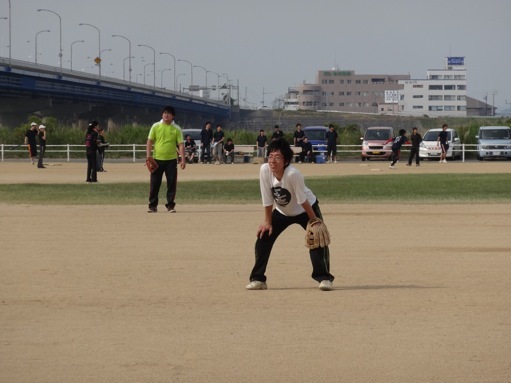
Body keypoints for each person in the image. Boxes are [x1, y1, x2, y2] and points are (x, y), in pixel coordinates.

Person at [246, 138, 334, 291]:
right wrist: (267, 221)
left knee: (317, 240)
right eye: (270, 156)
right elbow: (267, 197)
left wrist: (314, 221)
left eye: (277, 157)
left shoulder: (293, 174)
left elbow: (303, 201)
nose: (272, 160)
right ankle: (258, 279)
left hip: (306, 209)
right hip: (282, 211)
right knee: (264, 237)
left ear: (286, 160)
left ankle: (324, 278)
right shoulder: (265, 170)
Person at [146, 105, 186, 213]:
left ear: (173, 116)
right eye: (164, 113)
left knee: (171, 184)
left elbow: (181, 145)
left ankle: (170, 206)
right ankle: (152, 206)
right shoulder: (156, 126)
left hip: (171, 160)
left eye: (168, 113)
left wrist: (183, 159)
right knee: (154, 184)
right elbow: (150, 141)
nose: (166, 115)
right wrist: (148, 156)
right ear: (162, 114)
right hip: (156, 160)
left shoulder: (176, 128)